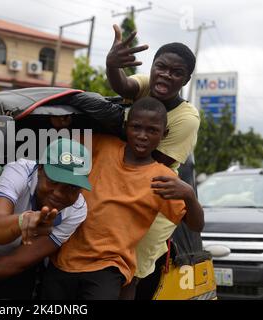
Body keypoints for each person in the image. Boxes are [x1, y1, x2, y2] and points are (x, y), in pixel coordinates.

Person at [40, 97, 204, 300]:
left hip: (109, 266)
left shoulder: (163, 178)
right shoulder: (101, 145)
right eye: (136, 127)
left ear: (164, 134)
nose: (142, 136)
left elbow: (196, 225)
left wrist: (189, 195)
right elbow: (62, 152)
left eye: (152, 130)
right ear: (126, 127)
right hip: (63, 258)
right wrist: (59, 128)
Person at [105, 24, 204, 298]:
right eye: (161, 67)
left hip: (156, 199)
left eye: (177, 73)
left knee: (131, 271)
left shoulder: (187, 118)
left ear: (185, 80)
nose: (166, 75)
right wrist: (112, 65)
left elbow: (149, 158)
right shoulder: (147, 85)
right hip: (121, 186)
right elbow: (123, 84)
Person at [0, 138, 92, 300]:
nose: (59, 193)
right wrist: (23, 221)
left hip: (12, 267)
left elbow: (16, 262)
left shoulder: (77, 210)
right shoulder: (18, 172)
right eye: (53, 181)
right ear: (39, 169)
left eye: (72, 187)